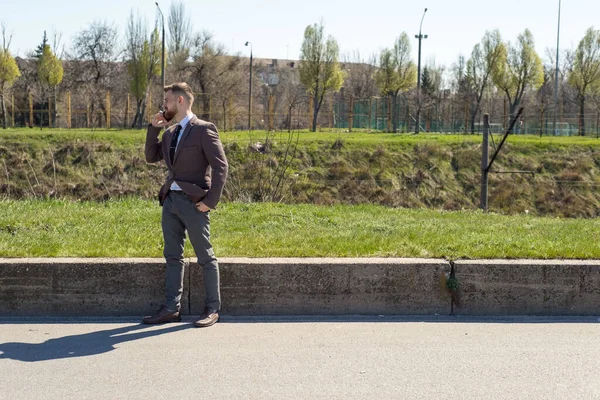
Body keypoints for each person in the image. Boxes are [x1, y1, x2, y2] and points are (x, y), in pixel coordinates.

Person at [142, 82, 228, 328]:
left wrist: (210, 202)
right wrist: (153, 128)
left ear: (180, 101)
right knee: (172, 255)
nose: (164, 105)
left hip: (194, 202)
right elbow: (150, 157)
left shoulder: (204, 129)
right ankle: (171, 308)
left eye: (167, 100)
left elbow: (221, 167)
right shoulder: (169, 133)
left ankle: (212, 309)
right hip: (170, 202)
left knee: (205, 256)